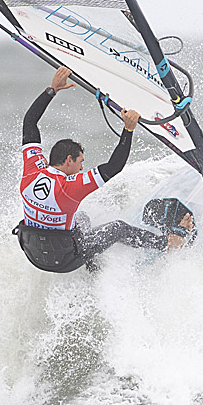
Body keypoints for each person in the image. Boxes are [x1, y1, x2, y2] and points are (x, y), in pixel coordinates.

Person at [15, 67, 187, 272]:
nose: (81, 168)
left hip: (33, 254)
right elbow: (114, 167)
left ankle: (92, 267)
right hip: (64, 260)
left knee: (83, 219)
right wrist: (128, 129)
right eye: (80, 162)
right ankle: (167, 244)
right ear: (69, 160)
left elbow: (29, 122)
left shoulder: (32, 171)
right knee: (118, 228)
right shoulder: (70, 189)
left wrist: (51, 90)